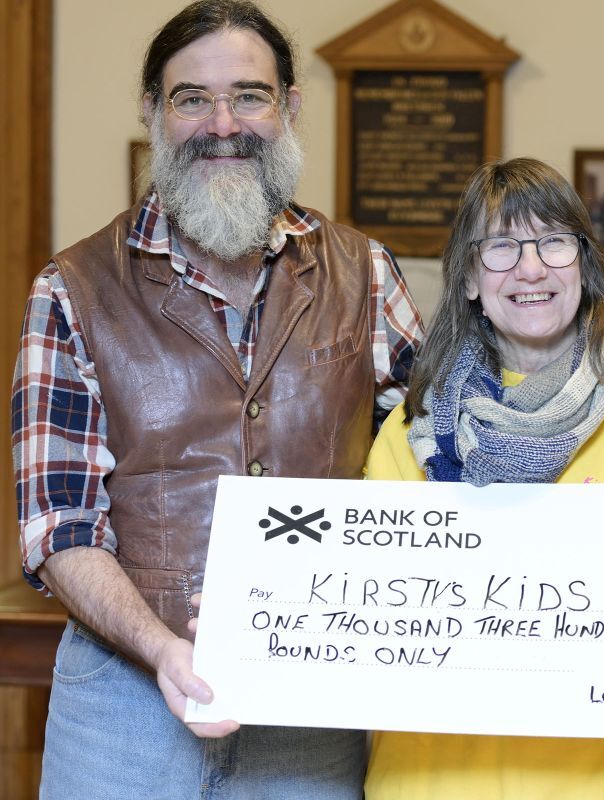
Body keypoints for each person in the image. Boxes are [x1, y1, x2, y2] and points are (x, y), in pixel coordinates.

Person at [11, 2, 422, 798]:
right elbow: (58, 524)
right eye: (191, 98)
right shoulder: (71, 289)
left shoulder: (365, 272)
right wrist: (165, 651)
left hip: (312, 703)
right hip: (124, 705)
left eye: (250, 95)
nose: (222, 122)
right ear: (153, 113)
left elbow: (435, 464)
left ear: (289, 108)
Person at [363, 156, 604, 800]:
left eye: (554, 242)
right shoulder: (412, 430)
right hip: (434, 784)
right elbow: (367, 615)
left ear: (585, 266)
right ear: (469, 281)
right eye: (502, 247)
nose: (531, 267)